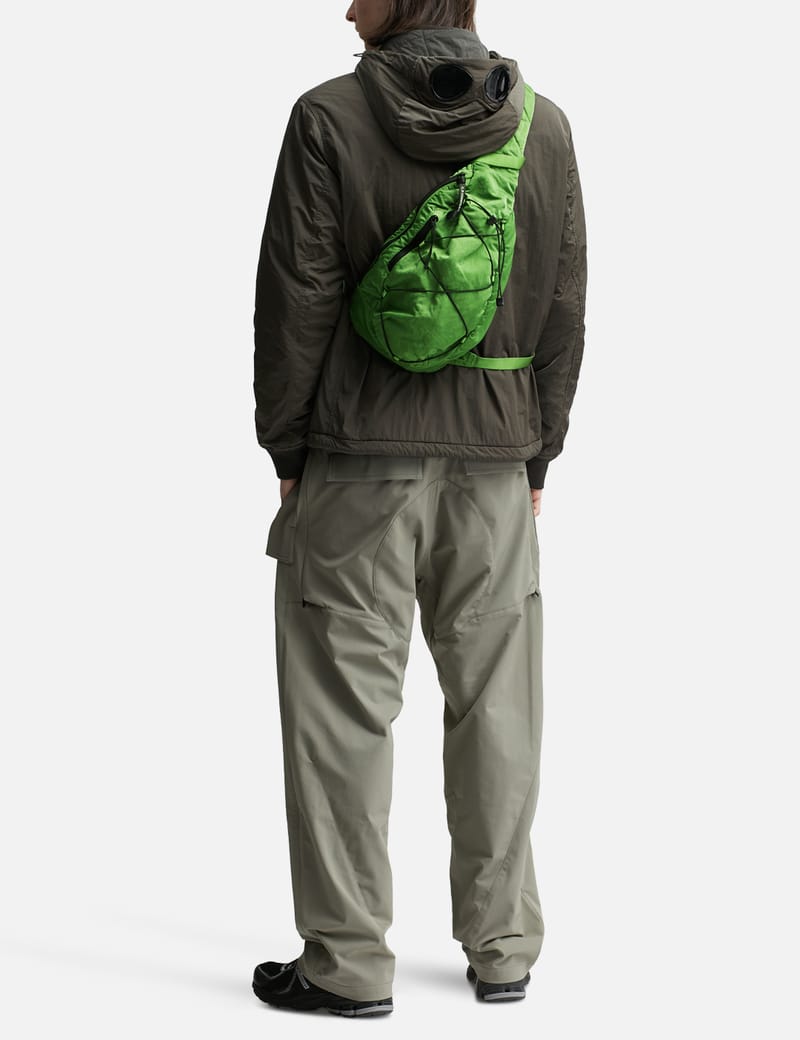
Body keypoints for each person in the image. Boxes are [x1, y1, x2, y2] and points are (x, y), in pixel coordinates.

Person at [251, 0, 587, 1018]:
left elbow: (295, 299)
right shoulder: (542, 126)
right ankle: (502, 946)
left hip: (356, 461)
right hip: (496, 464)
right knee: (498, 705)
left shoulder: (327, 117)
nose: (344, 3)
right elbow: (564, 305)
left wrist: (289, 447)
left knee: (342, 713)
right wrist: (537, 449)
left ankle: (347, 963)